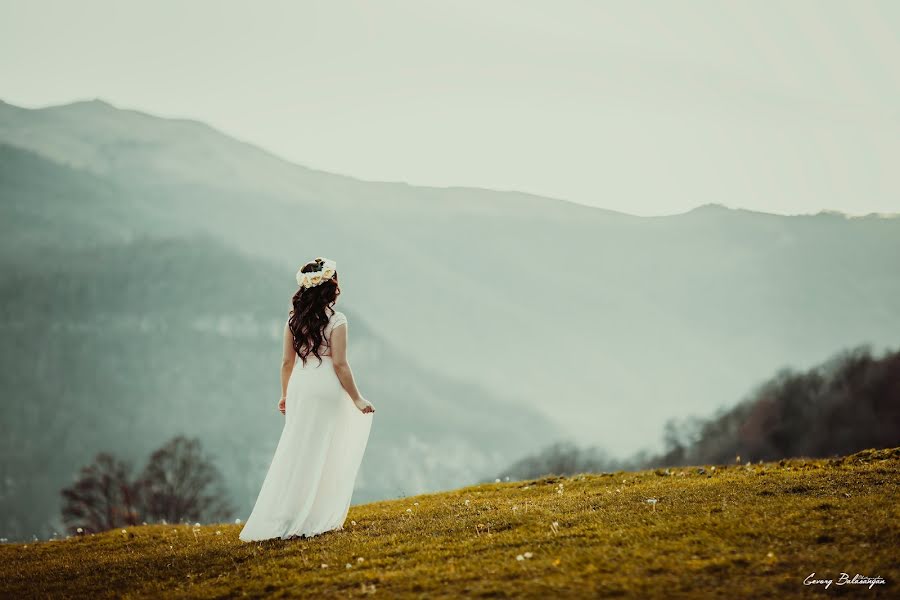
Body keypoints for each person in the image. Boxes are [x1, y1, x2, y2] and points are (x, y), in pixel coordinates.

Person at [239, 257, 374, 542]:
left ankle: (287, 512)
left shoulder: (293, 320)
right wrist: (357, 399)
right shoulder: (337, 320)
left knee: (297, 446)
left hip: (300, 385)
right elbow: (340, 364)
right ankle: (314, 514)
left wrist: (285, 394)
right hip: (325, 387)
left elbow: (286, 363)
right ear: (330, 287)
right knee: (325, 447)